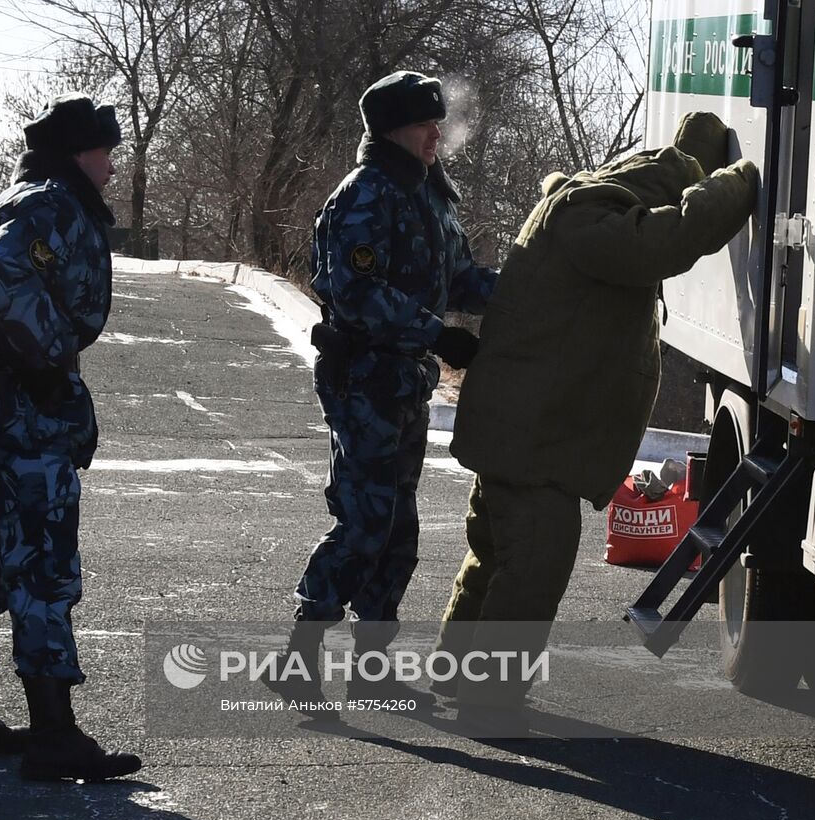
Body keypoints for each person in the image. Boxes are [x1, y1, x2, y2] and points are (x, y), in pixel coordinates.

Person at [433, 112, 758, 735]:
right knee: (533, 564)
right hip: (533, 435)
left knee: (497, 556)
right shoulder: (588, 214)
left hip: (525, 427)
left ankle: (459, 678)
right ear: (664, 184)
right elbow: (670, 237)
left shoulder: (582, 203)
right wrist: (739, 180)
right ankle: (487, 701)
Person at [270, 71, 496, 706]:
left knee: (399, 527)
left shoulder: (429, 194)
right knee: (364, 521)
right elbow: (355, 292)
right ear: (396, 127)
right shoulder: (364, 196)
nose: (437, 133)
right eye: (427, 123)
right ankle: (300, 657)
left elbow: (461, 278)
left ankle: (372, 668)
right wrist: (435, 333)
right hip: (364, 380)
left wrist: (526, 292)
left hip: (407, 383)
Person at [0, 93, 141, 782]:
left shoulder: (19, 197)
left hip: (6, 402)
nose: (112, 169)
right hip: (29, 408)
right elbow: (0, 277)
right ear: (80, 152)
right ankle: (53, 732)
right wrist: (47, 357)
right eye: (107, 153)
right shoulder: (50, 204)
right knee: (44, 569)